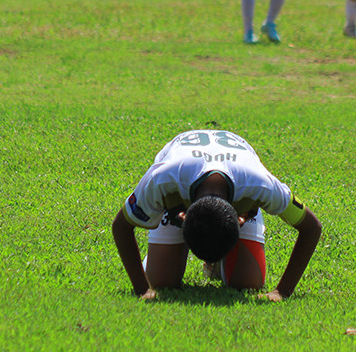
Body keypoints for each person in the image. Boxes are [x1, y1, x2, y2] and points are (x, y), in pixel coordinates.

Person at [111, 129, 322, 302]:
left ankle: (218, 264)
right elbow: (121, 226)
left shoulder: (261, 185)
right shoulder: (162, 180)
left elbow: (312, 227)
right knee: (161, 282)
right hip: (175, 199)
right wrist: (142, 289)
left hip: (237, 189)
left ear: (239, 220)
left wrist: (282, 291)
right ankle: (164, 255)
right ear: (183, 219)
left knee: (247, 283)